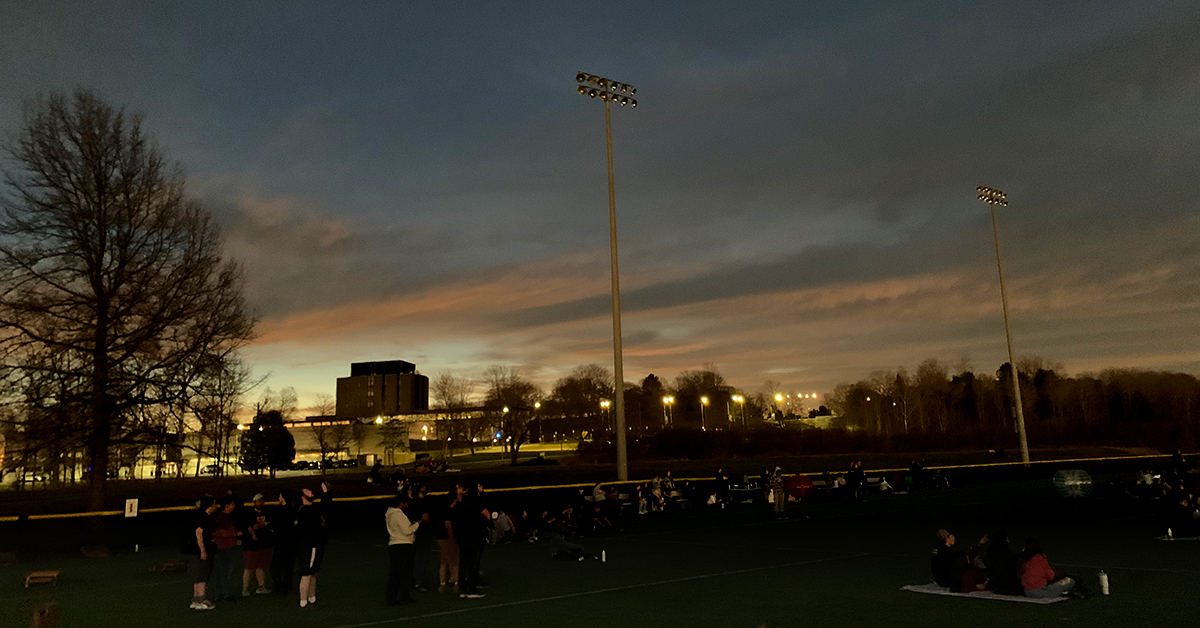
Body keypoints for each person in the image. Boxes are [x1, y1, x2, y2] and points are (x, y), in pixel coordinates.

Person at [449, 483, 490, 599]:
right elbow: (485, 518)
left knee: (464, 563)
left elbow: (454, 524)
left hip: (463, 539)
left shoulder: (458, 507)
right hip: (473, 539)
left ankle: (463, 587)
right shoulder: (474, 507)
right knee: (471, 564)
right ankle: (471, 588)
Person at [296, 482, 331, 608]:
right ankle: (303, 600)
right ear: (302, 497)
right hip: (310, 546)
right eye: (307, 491)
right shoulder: (306, 510)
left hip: (315, 544)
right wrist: (325, 492)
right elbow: (324, 505)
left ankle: (311, 597)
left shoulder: (310, 509)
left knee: (313, 572)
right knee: (307, 573)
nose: (310, 492)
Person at [183, 495, 219, 610]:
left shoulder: (201, 516)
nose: (215, 506)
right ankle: (201, 599)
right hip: (199, 550)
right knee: (202, 575)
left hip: (196, 550)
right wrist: (203, 550)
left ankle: (196, 599)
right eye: (214, 504)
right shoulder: (203, 517)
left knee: (198, 575)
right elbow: (199, 533)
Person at [384, 493, 420, 605]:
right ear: (401, 503)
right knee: (405, 573)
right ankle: (404, 596)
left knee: (394, 573)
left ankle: (391, 597)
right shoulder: (398, 515)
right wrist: (417, 525)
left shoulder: (389, 514)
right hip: (403, 545)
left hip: (393, 544)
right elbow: (406, 530)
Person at [241, 493, 274, 596]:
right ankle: (245, 588)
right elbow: (249, 527)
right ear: (254, 502)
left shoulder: (268, 512)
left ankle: (261, 586)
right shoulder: (248, 513)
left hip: (263, 543)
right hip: (251, 544)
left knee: (260, 566)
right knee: (249, 567)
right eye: (259, 500)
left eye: (262, 500)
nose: (261, 502)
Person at [211, 495, 240, 602]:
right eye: (232, 504)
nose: (234, 506)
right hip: (226, 547)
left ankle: (220, 594)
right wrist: (235, 534)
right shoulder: (223, 517)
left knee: (219, 571)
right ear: (226, 506)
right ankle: (227, 594)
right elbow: (222, 532)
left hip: (221, 547)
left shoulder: (219, 516)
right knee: (226, 571)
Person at [271, 489, 299, 596]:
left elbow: (276, 527)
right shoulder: (294, 510)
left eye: (280, 496)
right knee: (289, 567)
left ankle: (279, 587)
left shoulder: (280, 511)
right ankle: (287, 586)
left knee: (275, 568)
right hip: (292, 543)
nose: (278, 498)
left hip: (281, 543)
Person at [981, 530, 1022, 595]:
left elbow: (986, 563)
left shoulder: (991, 550)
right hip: (1006, 583)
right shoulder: (1008, 553)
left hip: (996, 582)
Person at [436, 491, 459, 593]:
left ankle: (442, 583)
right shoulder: (451, 511)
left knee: (443, 562)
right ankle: (456, 583)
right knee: (454, 561)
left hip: (440, 537)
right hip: (449, 538)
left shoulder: (440, 510)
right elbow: (448, 525)